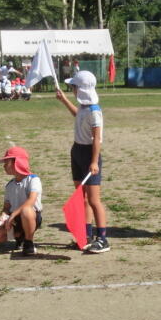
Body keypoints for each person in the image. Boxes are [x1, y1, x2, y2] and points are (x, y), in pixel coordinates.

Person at [56, 70, 110, 253]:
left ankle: (102, 239)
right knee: (82, 198)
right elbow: (77, 114)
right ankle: (85, 237)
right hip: (77, 151)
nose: (72, 89)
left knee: (94, 200)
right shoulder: (84, 107)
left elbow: (97, 139)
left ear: (80, 89)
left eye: (73, 87)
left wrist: (94, 162)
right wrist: (64, 100)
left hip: (89, 154)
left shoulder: (95, 111)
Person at [0, 147, 43, 256]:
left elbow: (31, 201)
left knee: (26, 210)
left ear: (17, 163)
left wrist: (13, 214)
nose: (4, 166)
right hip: (14, 220)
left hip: (31, 216)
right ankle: (19, 236)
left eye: (7, 162)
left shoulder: (33, 179)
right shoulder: (9, 185)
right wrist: (4, 215)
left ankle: (28, 242)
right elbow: (6, 207)